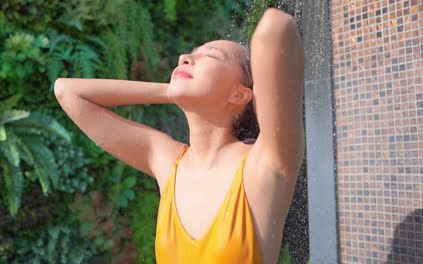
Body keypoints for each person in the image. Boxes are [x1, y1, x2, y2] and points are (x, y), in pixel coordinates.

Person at [54, 7, 304, 264]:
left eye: (211, 56)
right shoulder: (167, 161)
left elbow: (275, 26)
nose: (185, 57)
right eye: (191, 54)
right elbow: (67, 91)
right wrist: (171, 91)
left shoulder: (266, 161)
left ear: (239, 94)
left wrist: (258, 92)